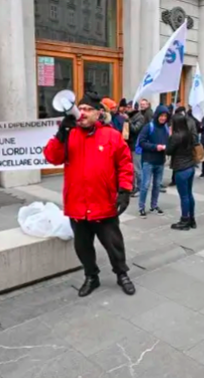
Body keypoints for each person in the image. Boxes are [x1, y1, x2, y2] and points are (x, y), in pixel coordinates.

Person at [44, 92, 136, 297]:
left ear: (98, 113)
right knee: (83, 246)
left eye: (87, 109)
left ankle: (122, 274)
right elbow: (52, 157)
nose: (82, 113)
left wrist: (124, 190)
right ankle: (91, 276)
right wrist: (61, 135)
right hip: (77, 204)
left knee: (114, 245)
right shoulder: (69, 134)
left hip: (104, 203)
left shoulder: (111, 135)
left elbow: (125, 164)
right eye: (80, 109)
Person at [166, 113, 199, 231]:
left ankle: (184, 220)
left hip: (181, 167)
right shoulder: (189, 134)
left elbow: (168, 151)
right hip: (190, 166)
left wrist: (169, 137)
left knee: (184, 196)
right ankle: (192, 219)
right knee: (189, 194)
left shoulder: (176, 136)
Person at [137, 105, 171, 218]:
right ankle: (141, 207)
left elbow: (168, 142)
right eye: (161, 115)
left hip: (160, 161)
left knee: (157, 185)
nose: (163, 118)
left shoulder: (166, 128)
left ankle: (154, 205)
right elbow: (141, 142)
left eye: (165, 116)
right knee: (145, 185)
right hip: (148, 160)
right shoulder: (149, 127)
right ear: (157, 115)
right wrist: (156, 147)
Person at [127, 102, 146, 197]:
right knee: (131, 168)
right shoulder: (129, 116)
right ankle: (133, 187)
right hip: (129, 145)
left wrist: (128, 121)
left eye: (129, 107)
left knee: (137, 169)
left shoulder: (140, 117)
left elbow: (135, 129)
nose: (127, 108)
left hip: (136, 146)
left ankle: (140, 188)